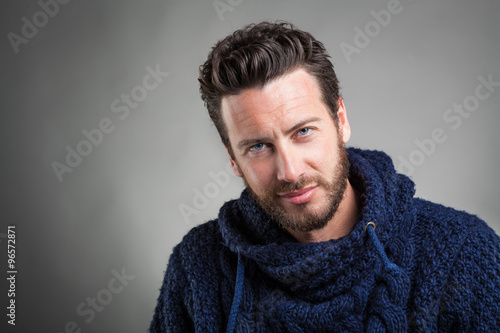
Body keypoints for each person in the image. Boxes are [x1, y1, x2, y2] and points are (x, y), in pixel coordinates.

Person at [150, 21, 500, 332]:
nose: (290, 171)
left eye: (303, 131)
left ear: (340, 120)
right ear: (232, 158)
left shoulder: (462, 252)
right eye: (258, 147)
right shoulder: (197, 268)